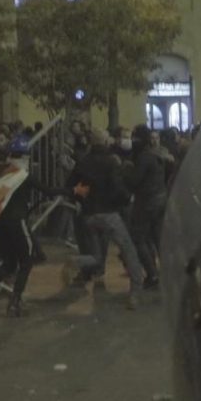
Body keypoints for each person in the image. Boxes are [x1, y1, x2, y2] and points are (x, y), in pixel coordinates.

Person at [0, 136, 73, 317]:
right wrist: (72, 190)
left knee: (8, 263)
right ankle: (15, 301)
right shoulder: (22, 175)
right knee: (26, 260)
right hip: (17, 222)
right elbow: (48, 191)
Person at [68, 128, 144, 310]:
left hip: (89, 215)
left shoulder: (83, 162)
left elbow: (71, 186)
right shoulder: (111, 162)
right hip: (109, 214)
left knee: (96, 256)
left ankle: (74, 261)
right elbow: (117, 188)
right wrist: (127, 199)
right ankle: (135, 293)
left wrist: (81, 200)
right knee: (128, 250)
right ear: (105, 141)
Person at [124, 125, 166, 289]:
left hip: (147, 202)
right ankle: (168, 272)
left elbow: (135, 181)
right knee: (158, 239)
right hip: (160, 199)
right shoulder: (158, 155)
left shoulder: (144, 157)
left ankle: (152, 274)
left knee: (139, 238)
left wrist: (125, 170)